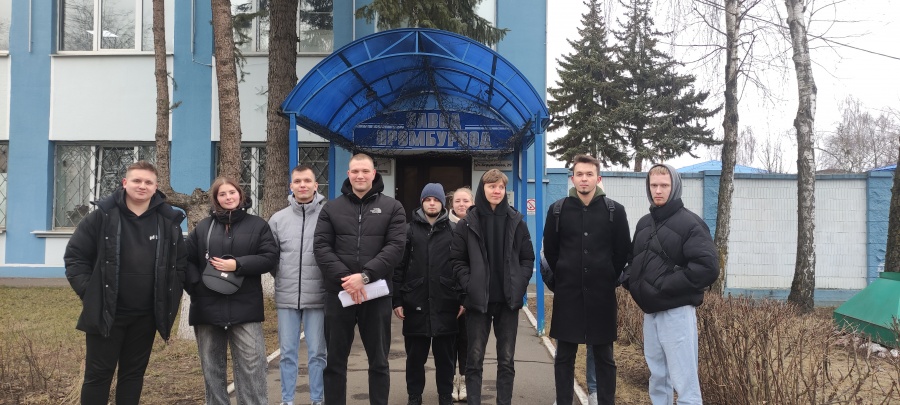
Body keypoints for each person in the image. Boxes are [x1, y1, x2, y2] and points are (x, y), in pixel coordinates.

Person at [64, 161, 187, 405]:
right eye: (137, 180)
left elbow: (180, 263)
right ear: (124, 183)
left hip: (146, 316)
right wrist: (91, 293)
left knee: (133, 375)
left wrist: (171, 293)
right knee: (98, 376)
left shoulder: (167, 222)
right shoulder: (101, 217)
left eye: (148, 182)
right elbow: (75, 258)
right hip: (107, 313)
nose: (142, 186)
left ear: (156, 187)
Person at [621, 163, 719, 405]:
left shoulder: (690, 224)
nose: (658, 190)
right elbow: (634, 260)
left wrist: (665, 285)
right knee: (658, 376)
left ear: (674, 187)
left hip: (677, 312)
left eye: (664, 185)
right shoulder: (644, 223)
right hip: (651, 312)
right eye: (653, 185)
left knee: (684, 381)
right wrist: (632, 282)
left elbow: (707, 268)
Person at [314, 153, 407, 405]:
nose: (360, 176)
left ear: (374, 174)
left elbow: (395, 248)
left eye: (365, 171)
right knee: (335, 362)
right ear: (348, 174)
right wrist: (348, 280)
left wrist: (365, 277)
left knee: (379, 361)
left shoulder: (393, 208)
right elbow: (321, 248)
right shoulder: (331, 208)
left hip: (376, 294)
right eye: (355, 171)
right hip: (339, 293)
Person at [541, 154, 631, 405]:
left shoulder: (615, 211)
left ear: (598, 179)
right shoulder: (557, 210)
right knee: (564, 356)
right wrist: (565, 274)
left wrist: (607, 275)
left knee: (605, 357)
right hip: (568, 295)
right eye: (579, 174)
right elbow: (551, 251)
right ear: (572, 178)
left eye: (589, 174)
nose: (584, 179)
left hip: (602, 296)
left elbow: (622, 251)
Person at [184, 176, 279, 405]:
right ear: (216, 199)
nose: (228, 197)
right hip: (207, 307)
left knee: (253, 366)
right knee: (212, 368)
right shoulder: (203, 227)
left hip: (245, 307)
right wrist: (196, 287)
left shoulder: (258, 225)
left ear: (240, 194)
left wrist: (238, 264)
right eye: (222, 194)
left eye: (232, 192)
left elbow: (269, 257)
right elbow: (186, 260)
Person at [450, 169, 535, 405]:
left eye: (500, 187)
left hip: (508, 302)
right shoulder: (467, 223)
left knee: (506, 360)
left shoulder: (517, 222)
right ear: (483, 189)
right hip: (479, 302)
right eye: (491, 186)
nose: (496, 191)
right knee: (474, 359)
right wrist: (470, 285)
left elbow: (527, 258)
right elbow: (457, 261)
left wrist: (519, 284)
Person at [394, 183, 462, 405]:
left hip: (446, 303)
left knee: (446, 358)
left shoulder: (454, 231)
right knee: (415, 358)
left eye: (436, 200)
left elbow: (462, 266)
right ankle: (414, 396)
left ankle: (445, 396)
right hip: (415, 303)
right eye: (427, 200)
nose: (432, 203)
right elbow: (398, 268)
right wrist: (397, 300)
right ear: (422, 202)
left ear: (443, 203)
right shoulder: (408, 230)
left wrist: (463, 298)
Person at [269, 165, 327, 405]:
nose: (303, 185)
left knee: (317, 353)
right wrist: (283, 276)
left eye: (307, 181)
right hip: (287, 297)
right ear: (291, 185)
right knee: (287, 353)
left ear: (316, 185)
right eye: (298, 181)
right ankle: (287, 400)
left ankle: (317, 399)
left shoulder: (328, 216)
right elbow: (271, 258)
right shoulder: (278, 219)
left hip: (318, 297)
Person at [448, 186, 474, 402]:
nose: (461, 204)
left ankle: (464, 380)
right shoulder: (442, 226)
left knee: (467, 341)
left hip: (471, 295)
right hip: (447, 295)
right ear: (451, 204)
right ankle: (448, 381)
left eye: (466, 200)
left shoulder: (478, 225)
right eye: (457, 201)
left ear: (472, 202)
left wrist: (467, 296)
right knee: (447, 342)